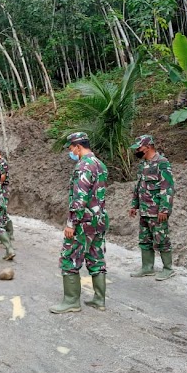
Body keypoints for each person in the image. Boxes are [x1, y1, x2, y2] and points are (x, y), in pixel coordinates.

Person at [51, 132, 109, 314]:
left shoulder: (83, 166)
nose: (71, 152)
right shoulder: (100, 164)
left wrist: (71, 223)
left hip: (83, 221)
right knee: (96, 257)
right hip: (98, 219)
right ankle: (99, 299)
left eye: (71, 148)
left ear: (77, 146)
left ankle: (71, 301)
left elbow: (79, 198)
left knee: (69, 258)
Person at [128, 134, 175, 281]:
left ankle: (168, 269)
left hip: (157, 211)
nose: (137, 151)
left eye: (139, 148)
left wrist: (164, 209)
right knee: (145, 239)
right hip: (144, 210)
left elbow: (167, 187)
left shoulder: (162, 163)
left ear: (148, 147)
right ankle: (147, 267)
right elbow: (139, 187)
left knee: (161, 239)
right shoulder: (143, 164)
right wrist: (134, 205)